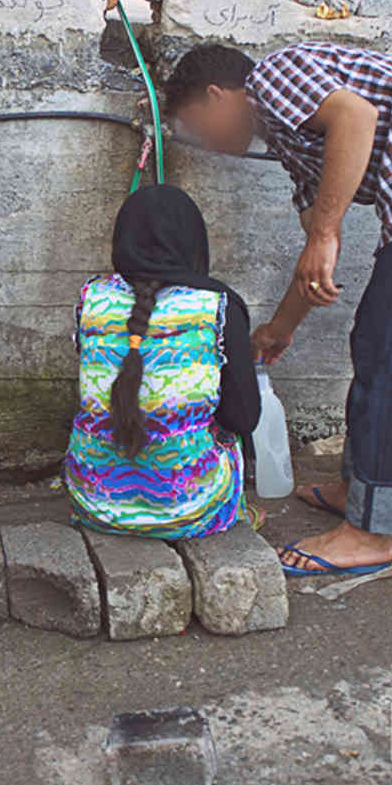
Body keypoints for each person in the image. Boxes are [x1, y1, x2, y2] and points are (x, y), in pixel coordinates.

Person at [165, 41, 392, 575]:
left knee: (388, 349)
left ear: (219, 95)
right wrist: (280, 327)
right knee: (376, 339)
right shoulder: (291, 141)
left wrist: (329, 231)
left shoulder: (272, 77)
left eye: (195, 127)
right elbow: (316, 245)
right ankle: (361, 488)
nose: (205, 144)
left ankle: (370, 533)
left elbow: (357, 116)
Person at [62, 185, 261, 539]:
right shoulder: (217, 304)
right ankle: (233, 507)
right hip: (192, 507)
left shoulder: (91, 297)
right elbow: (243, 416)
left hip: (93, 502)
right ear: (194, 242)